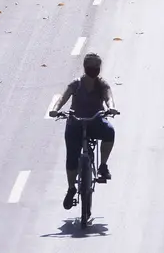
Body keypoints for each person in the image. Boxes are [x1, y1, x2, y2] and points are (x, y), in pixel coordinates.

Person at [49, 52, 119, 210]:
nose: (93, 69)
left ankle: (102, 165)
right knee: (72, 158)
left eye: (96, 67)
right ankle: (71, 188)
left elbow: (109, 98)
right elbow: (63, 97)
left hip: (95, 121)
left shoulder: (102, 84)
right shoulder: (76, 84)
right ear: (85, 67)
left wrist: (111, 108)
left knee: (109, 132)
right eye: (90, 66)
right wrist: (55, 109)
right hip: (76, 123)